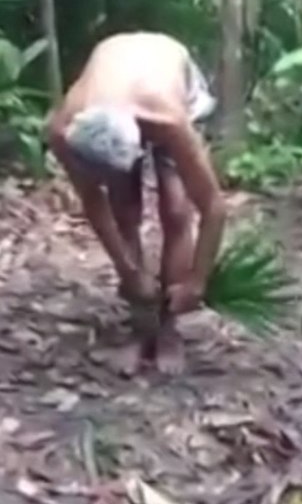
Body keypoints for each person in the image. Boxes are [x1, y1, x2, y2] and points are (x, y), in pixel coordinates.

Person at [45, 32, 227, 375]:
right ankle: (142, 324)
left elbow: (214, 208)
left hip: (167, 77)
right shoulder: (64, 131)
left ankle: (168, 328)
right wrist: (127, 270)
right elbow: (93, 201)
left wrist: (196, 282)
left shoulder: (169, 120)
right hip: (114, 78)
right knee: (123, 208)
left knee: (175, 208)